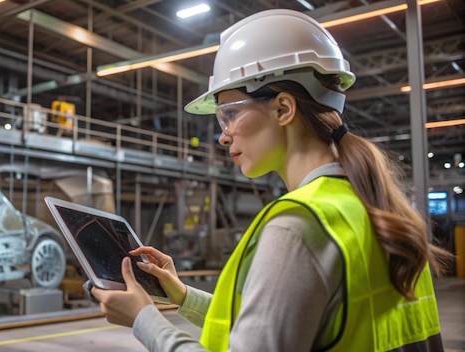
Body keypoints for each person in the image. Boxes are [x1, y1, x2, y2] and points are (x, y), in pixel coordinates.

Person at [91, 9, 451, 351]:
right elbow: (279, 326)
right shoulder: (370, 206)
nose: (223, 135)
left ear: (283, 108)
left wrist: (143, 318)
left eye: (230, 114)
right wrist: (183, 295)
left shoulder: (300, 225)